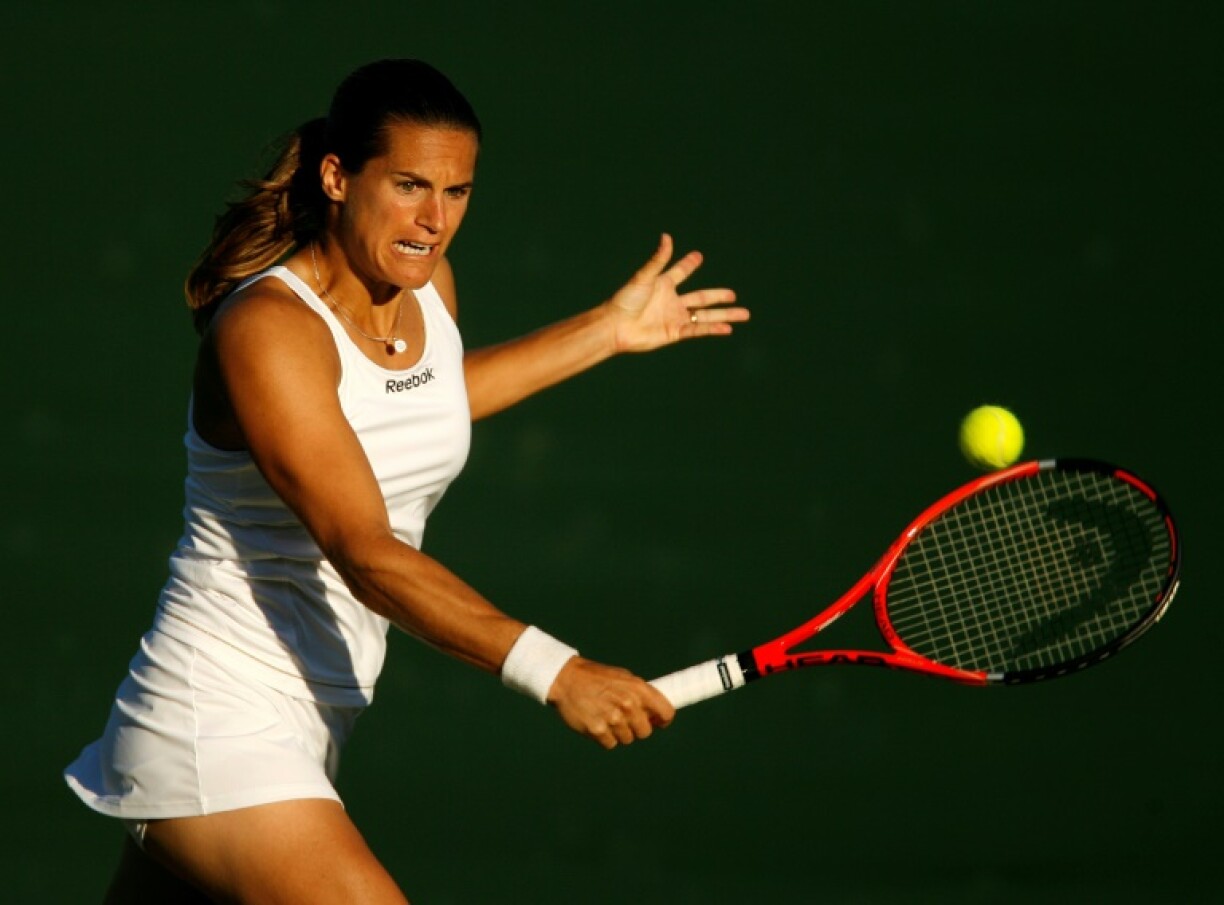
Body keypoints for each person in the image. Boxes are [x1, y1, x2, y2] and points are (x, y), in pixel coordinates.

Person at [64, 58, 749, 903]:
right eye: (411, 185)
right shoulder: (268, 329)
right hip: (215, 717)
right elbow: (364, 549)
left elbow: (425, 410)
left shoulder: (425, 293)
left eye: (457, 192)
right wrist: (557, 669)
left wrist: (605, 331)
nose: (435, 220)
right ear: (337, 177)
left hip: (313, 722)